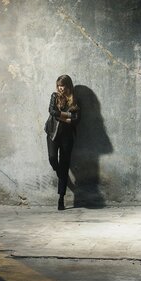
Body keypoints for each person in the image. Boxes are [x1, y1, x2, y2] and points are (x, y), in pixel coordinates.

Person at [45, 75, 80, 210]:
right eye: (59, 85)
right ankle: (61, 175)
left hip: (67, 138)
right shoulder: (54, 96)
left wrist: (66, 116)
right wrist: (67, 117)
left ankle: (61, 198)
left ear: (68, 86)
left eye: (63, 85)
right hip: (52, 134)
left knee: (64, 165)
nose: (60, 87)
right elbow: (52, 111)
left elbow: (77, 119)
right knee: (53, 158)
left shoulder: (74, 100)